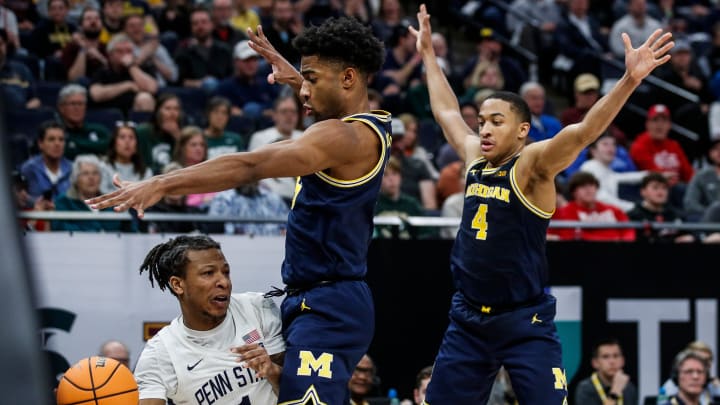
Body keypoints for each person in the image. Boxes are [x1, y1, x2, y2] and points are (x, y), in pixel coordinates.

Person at [87, 16, 389, 404]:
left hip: (329, 304)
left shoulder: (341, 136)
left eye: (312, 79)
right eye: (305, 80)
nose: (303, 92)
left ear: (348, 78)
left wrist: (161, 183)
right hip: (319, 298)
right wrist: (299, 77)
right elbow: (335, 108)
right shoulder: (366, 126)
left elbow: (251, 165)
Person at [411, 4, 672, 402]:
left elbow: (583, 132)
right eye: (481, 120)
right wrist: (429, 55)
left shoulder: (531, 165)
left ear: (522, 131)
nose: (483, 129)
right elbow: (446, 111)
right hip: (468, 318)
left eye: (496, 122)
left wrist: (628, 81)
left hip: (523, 320)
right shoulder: (474, 157)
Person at [133, 235, 285, 404]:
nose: (224, 282)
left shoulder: (257, 308)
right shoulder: (160, 353)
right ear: (177, 285)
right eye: (208, 273)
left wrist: (273, 371)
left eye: (226, 272)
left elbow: (301, 389)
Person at [549, 172, 636, 242]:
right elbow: (567, 238)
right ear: (573, 192)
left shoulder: (614, 210)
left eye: (591, 185)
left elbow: (628, 232)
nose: (588, 189)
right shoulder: (563, 213)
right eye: (583, 186)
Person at [627, 172, 695, 243]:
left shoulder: (676, 215)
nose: (660, 192)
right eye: (655, 188)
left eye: (664, 188)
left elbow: (690, 235)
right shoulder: (633, 216)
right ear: (643, 192)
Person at [574, 337, 638, 405]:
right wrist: (615, 393)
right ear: (595, 363)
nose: (612, 361)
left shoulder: (629, 388)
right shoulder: (585, 388)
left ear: (622, 361)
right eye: (605, 357)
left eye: (616, 356)